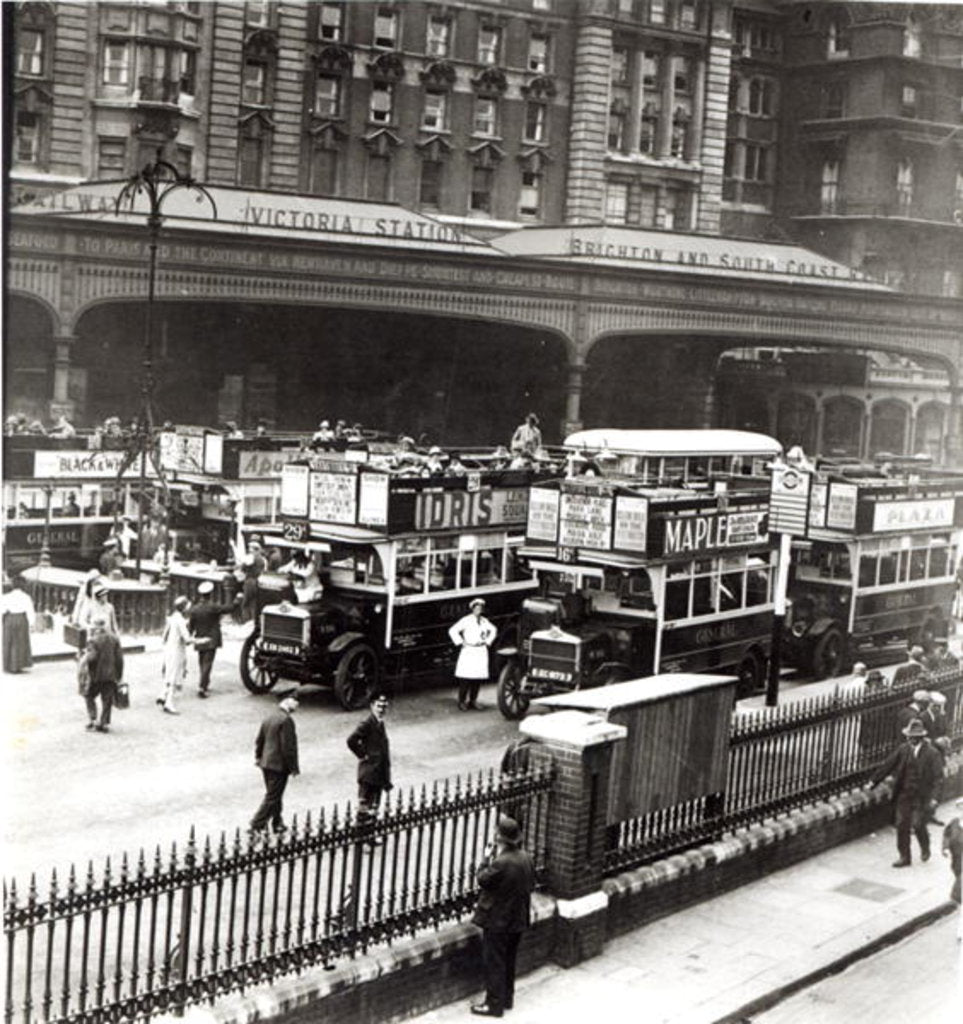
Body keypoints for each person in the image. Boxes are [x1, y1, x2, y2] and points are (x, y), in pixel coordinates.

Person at [470, 815, 535, 1018]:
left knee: (495, 962)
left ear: (500, 838)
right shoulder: (526, 858)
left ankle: (493, 1004)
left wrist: (485, 859)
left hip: (498, 921)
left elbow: (482, 880)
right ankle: (507, 998)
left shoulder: (501, 862)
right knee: (509, 959)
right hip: (518, 919)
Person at [867, 718, 943, 868]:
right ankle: (904, 856)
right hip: (904, 794)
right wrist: (874, 781)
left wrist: (934, 798)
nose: (909, 739)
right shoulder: (903, 749)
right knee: (902, 824)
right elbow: (888, 764)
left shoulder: (932, 754)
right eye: (908, 736)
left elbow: (938, 778)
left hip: (922, 797)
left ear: (920, 737)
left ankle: (925, 846)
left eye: (912, 737)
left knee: (917, 824)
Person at [250, 687, 301, 839]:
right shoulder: (286, 720)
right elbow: (288, 748)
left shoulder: (269, 716)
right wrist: (294, 768)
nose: (297, 705)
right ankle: (256, 824)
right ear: (287, 701)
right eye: (295, 701)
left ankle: (277, 822)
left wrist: (259, 758)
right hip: (279, 766)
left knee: (275, 795)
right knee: (273, 796)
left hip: (266, 764)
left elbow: (259, 740)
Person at [347, 690, 393, 837]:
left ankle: (369, 834)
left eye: (384, 706)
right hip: (369, 773)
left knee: (374, 807)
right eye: (379, 706)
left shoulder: (379, 723)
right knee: (364, 806)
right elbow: (351, 740)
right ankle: (363, 836)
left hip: (378, 772)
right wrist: (363, 755)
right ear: (372, 706)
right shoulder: (368, 723)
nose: (382, 710)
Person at [188, 581, 237, 698]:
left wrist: (188, 638)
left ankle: (204, 683)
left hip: (199, 638)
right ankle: (202, 687)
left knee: (202, 662)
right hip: (212, 639)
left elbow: (191, 626)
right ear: (210, 594)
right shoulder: (213, 607)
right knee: (207, 663)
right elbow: (228, 609)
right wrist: (237, 601)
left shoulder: (194, 609)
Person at [449, 598, 497, 711]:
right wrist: (461, 642)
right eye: (476, 608)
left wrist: (488, 641)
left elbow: (494, 630)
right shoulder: (466, 620)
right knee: (466, 677)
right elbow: (452, 630)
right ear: (472, 609)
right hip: (469, 650)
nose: (478, 610)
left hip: (480, 650)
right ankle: (461, 701)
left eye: (480, 608)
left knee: (477, 678)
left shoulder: (485, 621)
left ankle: (473, 700)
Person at [83, 617, 123, 733]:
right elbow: (120, 659)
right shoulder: (114, 639)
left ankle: (93, 719)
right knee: (107, 700)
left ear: (96, 627)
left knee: (89, 695)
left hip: (97, 676)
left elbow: (92, 658)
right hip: (111, 676)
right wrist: (119, 675)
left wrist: (83, 657)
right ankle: (104, 723)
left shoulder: (93, 640)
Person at [157, 596, 193, 714]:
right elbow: (187, 639)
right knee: (174, 676)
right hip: (177, 651)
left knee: (168, 673)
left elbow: (164, 636)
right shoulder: (181, 621)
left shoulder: (172, 618)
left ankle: (163, 695)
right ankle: (169, 703)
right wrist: (199, 640)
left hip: (168, 649)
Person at [2, 576, 35, 673]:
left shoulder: (6, 596)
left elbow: (2, 610)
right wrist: (31, 624)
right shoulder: (26, 597)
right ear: (23, 585)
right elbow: (30, 611)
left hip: (9, 619)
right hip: (21, 619)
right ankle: (18, 665)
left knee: (9, 641)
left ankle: (8, 665)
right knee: (20, 641)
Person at [942, 797, 963, 907]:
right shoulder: (955, 822)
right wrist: (945, 847)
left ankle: (956, 897)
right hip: (956, 854)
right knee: (956, 869)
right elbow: (947, 834)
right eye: (960, 808)